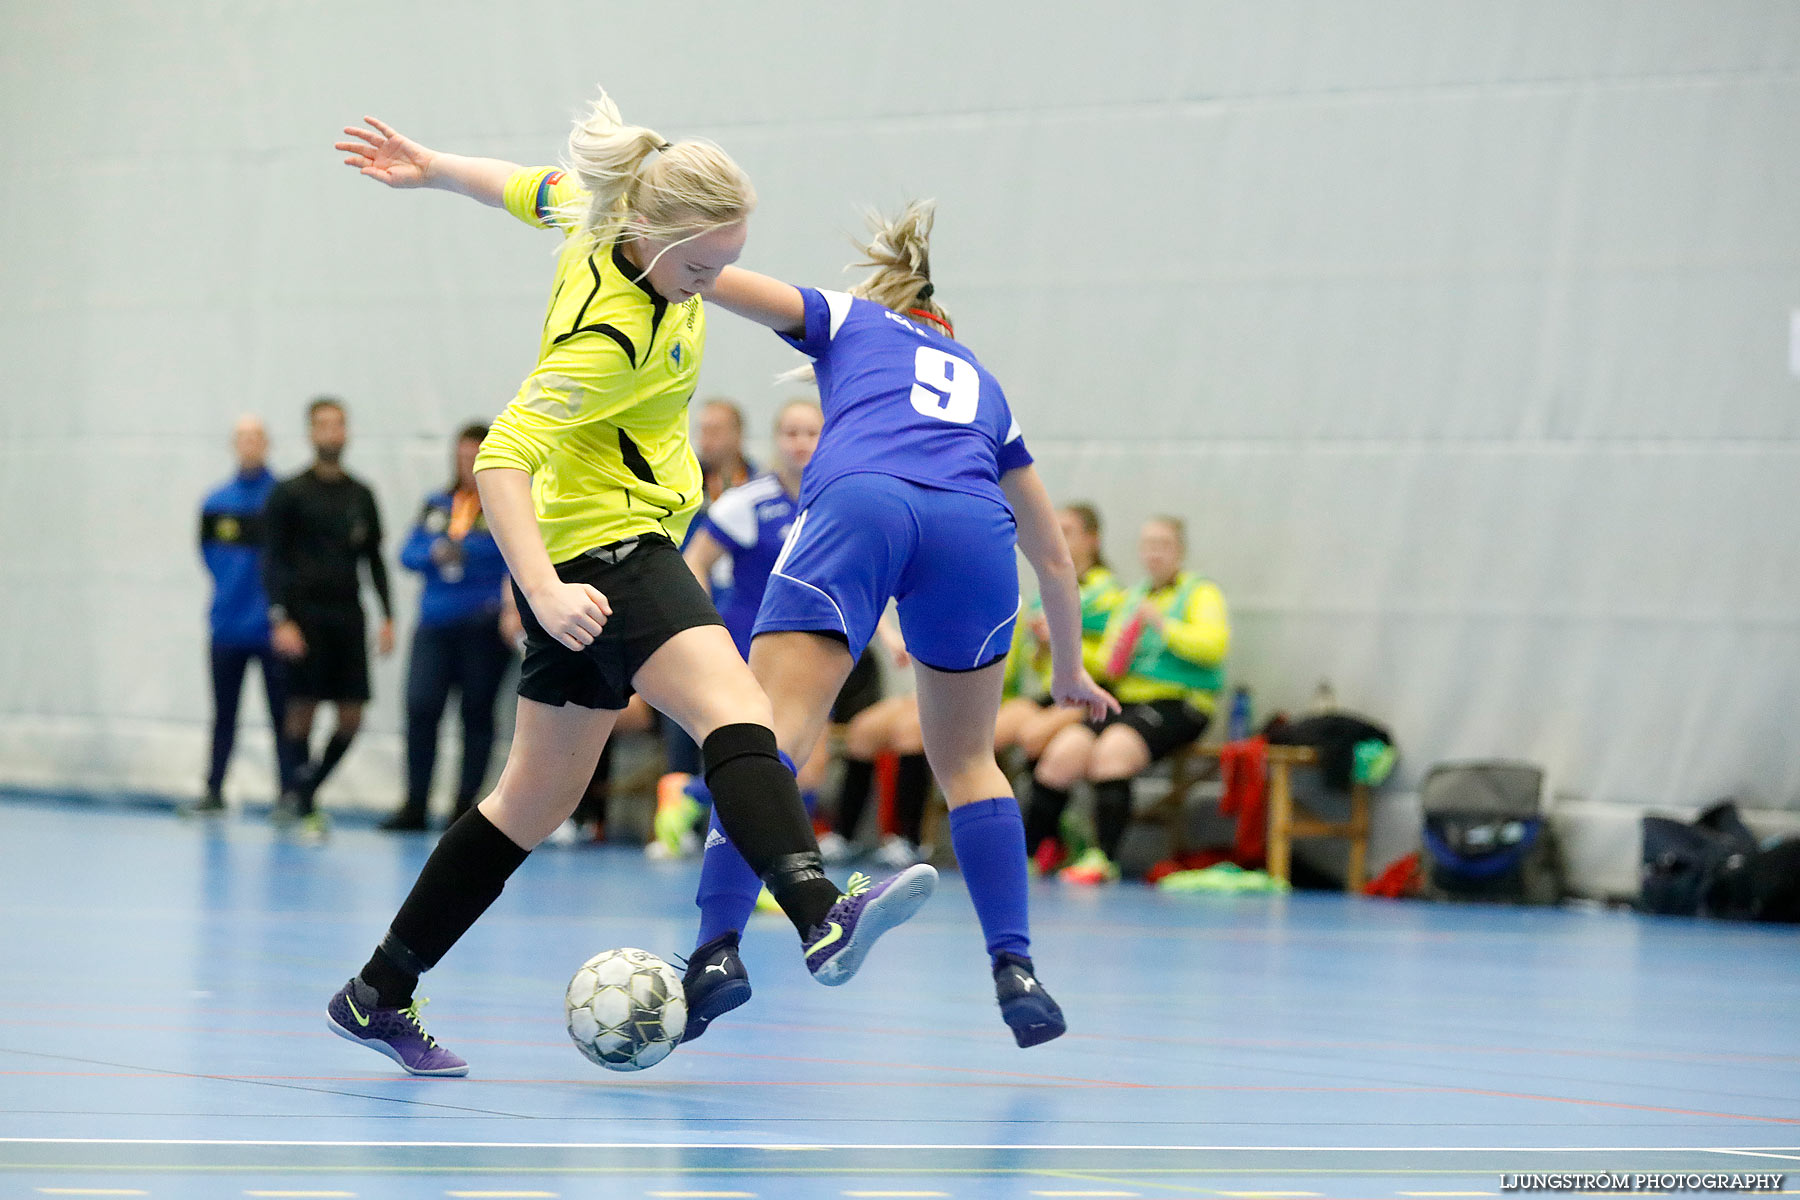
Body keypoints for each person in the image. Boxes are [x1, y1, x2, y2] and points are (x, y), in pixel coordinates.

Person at [323, 91, 935, 1076]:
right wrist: (542, 593)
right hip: (607, 550)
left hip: (592, 552)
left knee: (529, 801)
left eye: (726, 261)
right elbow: (501, 460)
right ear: (649, 236)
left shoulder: (599, 209)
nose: (711, 283)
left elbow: (517, 186)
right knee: (738, 711)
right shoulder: (610, 338)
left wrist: (432, 164)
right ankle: (819, 911)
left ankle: (376, 991)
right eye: (700, 266)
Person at [681, 200, 1117, 1048]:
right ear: (945, 325)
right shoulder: (983, 384)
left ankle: (714, 952)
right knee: (967, 760)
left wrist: (669, 259)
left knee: (768, 737)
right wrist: (1070, 672)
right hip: (973, 531)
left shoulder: (855, 319)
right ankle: (1014, 966)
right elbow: (1056, 557)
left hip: (864, 502)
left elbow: (724, 283)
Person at [1024, 515, 1230, 884]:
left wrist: (1163, 625)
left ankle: (1104, 857)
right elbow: (1107, 664)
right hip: (1128, 702)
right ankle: (1031, 853)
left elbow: (1213, 648)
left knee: (1112, 753)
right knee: (1062, 753)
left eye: (1163, 545)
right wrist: (1057, 642)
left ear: (1179, 551)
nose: (1155, 553)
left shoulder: (1199, 593)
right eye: (1148, 545)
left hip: (1179, 704)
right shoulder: (1133, 598)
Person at [264, 397, 395, 840]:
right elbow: (272, 561)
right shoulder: (288, 493)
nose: (330, 433)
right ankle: (302, 801)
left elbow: (374, 558)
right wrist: (281, 618)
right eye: (322, 425)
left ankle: (303, 791)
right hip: (304, 616)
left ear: (346, 432)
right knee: (301, 708)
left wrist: (388, 615)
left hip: (347, 617)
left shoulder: (361, 495)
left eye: (337, 425)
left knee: (351, 715)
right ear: (310, 432)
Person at [381, 424, 520, 832]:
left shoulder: (505, 505)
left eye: (475, 456)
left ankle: (463, 809)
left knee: (476, 715)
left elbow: (514, 553)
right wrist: (436, 552)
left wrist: (470, 553)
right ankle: (415, 802)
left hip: (482, 624)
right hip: (436, 624)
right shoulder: (437, 504)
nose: (467, 464)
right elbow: (408, 552)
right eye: (461, 456)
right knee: (422, 707)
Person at [188, 415, 293, 815]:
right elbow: (208, 555)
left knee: (282, 716)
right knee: (224, 715)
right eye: (242, 438)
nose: (250, 444)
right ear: (234, 444)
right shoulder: (216, 502)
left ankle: (288, 793)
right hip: (227, 627)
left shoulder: (282, 497)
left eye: (257, 438)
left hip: (271, 629)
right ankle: (213, 789)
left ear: (267, 444)